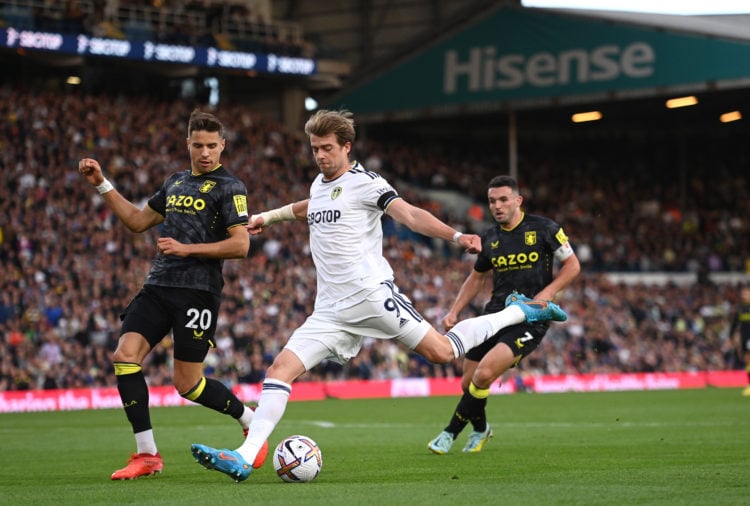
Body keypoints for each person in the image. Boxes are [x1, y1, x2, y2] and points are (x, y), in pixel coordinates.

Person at [189, 109, 568, 482]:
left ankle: (516, 314)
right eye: (314, 148)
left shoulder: (367, 183)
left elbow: (410, 215)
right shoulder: (319, 185)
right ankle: (244, 455)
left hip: (372, 296)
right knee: (279, 371)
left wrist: (455, 236)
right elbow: (310, 206)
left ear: (346, 147)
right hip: (330, 310)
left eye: (326, 148)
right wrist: (267, 217)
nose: (319, 155)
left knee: (442, 353)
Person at [78, 109, 267, 480]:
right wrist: (102, 183)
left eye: (212, 145)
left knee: (187, 385)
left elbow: (241, 245)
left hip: (198, 292)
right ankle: (147, 454)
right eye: (198, 145)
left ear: (223, 145)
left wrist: (186, 249)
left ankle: (250, 420)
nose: (206, 153)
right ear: (188, 144)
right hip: (159, 285)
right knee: (124, 356)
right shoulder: (175, 182)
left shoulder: (231, 187)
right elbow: (136, 222)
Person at [427, 175, 580, 454]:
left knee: (483, 375)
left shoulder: (544, 228)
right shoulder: (490, 238)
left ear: (518, 200)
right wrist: (454, 311)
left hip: (530, 317)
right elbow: (476, 278)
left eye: (503, 200)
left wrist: (547, 294)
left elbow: (572, 265)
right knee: (467, 382)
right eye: (492, 201)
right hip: (495, 313)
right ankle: (481, 429)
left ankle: (449, 434)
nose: (497, 206)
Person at [730, 285, 750, 396]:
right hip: (745, 338)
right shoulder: (740, 309)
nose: (745, 295)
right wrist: (731, 336)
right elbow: (734, 324)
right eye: (743, 293)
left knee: (748, 359)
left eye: (747, 293)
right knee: (747, 360)